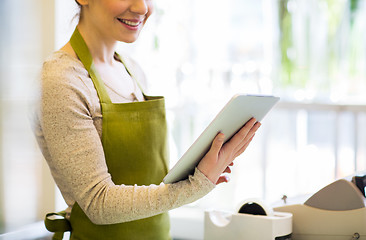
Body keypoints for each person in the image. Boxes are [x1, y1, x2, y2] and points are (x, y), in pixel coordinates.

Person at [33, 0, 261, 239]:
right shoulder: (61, 80)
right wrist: (197, 185)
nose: (142, 8)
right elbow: (98, 203)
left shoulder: (132, 69)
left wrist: (206, 162)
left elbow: (149, 181)